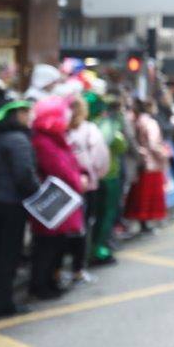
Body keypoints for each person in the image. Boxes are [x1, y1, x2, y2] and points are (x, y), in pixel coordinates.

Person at [29, 97, 85, 300]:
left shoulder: (53, 139)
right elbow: (59, 169)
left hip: (61, 202)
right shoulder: (43, 141)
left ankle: (49, 282)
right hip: (53, 203)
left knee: (56, 245)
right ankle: (41, 285)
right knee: (47, 246)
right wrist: (79, 181)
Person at [0, 95, 37, 316]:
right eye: (24, 112)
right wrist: (36, 192)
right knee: (8, 255)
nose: (28, 116)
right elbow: (25, 176)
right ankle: (4, 304)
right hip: (11, 205)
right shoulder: (17, 139)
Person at [63, 97, 109, 285]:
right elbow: (100, 158)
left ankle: (60, 269)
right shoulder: (90, 130)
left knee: (65, 228)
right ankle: (78, 269)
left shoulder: (60, 131)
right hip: (85, 185)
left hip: (64, 186)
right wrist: (95, 175)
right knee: (83, 226)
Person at [89, 95, 126, 265]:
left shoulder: (84, 125)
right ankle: (99, 250)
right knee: (105, 215)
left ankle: (96, 248)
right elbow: (120, 145)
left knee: (95, 216)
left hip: (91, 178)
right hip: (107, 175)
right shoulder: (103, 125)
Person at [124, 98, 168, 233]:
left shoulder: (133, 121)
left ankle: (138, 222)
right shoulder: (150, 123)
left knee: (139, 195)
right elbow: (153, 144)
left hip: (138, 162)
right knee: (149, 197)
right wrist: (164, 155)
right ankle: (146, 223)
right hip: (151, 163)